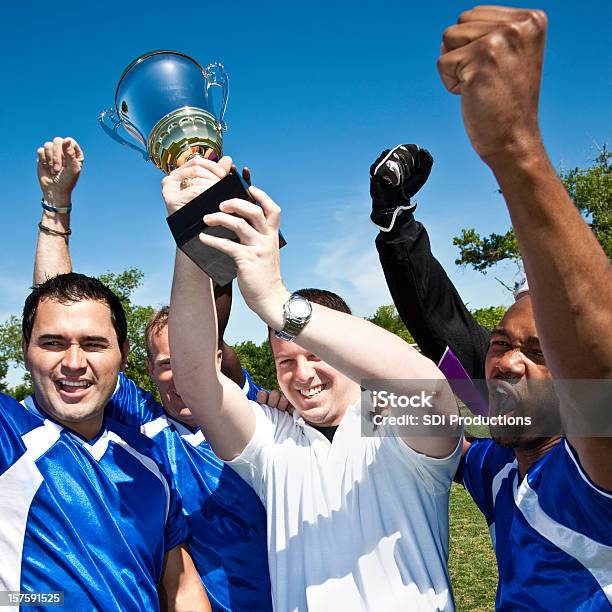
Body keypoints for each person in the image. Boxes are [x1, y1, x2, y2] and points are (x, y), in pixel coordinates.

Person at [373, 6, 612, 609]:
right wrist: (397, 223)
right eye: (503, 344)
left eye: (539, 351)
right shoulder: (494, 463)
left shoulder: (594, 476)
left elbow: (597, 371)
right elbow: (444, 338)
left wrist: (515, 147)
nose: (505, 363)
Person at [163, 152, 463, 610]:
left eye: (317, 356)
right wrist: (191, 236)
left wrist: (278, 302)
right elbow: (195, 379)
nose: (301, 376)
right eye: (285, 362)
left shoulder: (394, 428)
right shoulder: (274, 439)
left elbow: (428, 386)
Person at [32, 137, 274, 611]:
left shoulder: (265, 414)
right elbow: (58, 318)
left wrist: (218, 217)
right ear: (145, 369)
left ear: (220, 356)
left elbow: (215, 311)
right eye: (167, 365)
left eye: (193, 359)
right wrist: (56, 212)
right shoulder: (142, 429)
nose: (182, 377)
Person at [0, 273, 209, 611]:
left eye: (93, 344)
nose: (73, 362)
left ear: (123, 356)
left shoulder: (149, 459)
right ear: (25, 351)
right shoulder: (8, 432)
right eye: (52, 342)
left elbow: (181, 587)